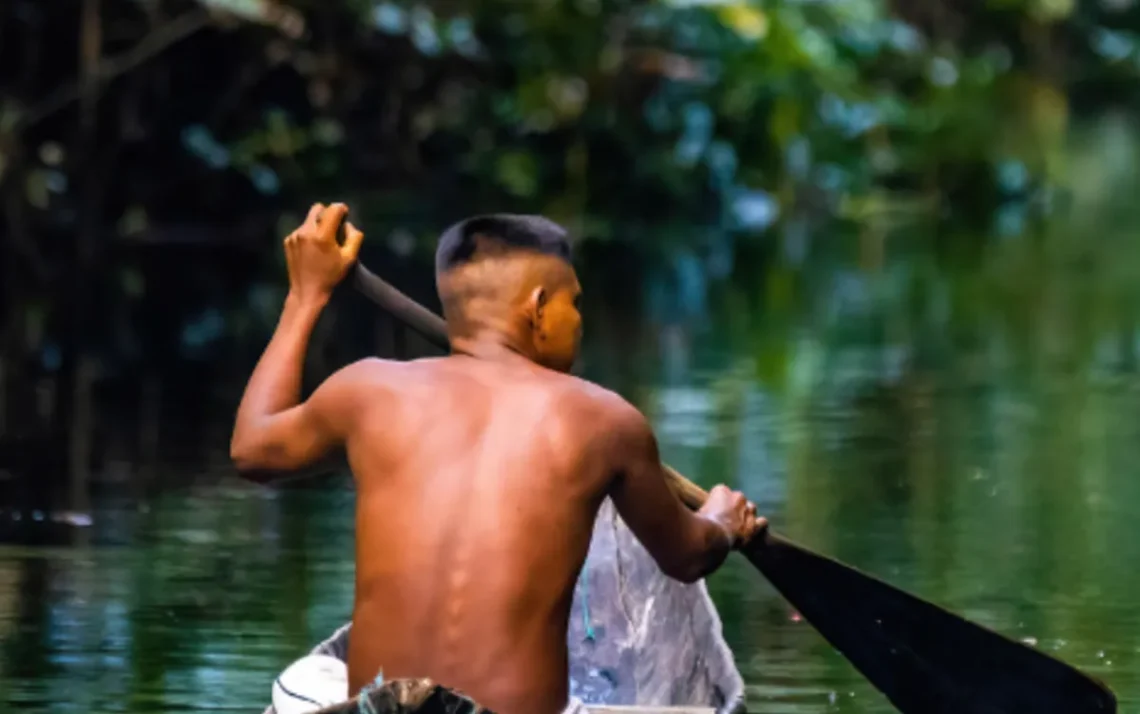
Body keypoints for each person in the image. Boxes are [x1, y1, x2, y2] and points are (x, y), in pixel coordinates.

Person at [231, 203, 768, 714]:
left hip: (379, 709)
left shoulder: (369, 389)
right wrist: (722, 522)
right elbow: (686, 557)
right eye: (572, 303)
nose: (578, 320)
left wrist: (305, 296)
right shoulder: (605, 420)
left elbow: (252, 449)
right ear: (536, 308)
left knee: (311, 684)